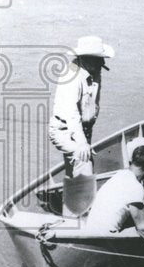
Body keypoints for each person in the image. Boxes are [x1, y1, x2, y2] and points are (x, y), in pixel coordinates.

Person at [49, 35, 114, 178]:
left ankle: (71, 194)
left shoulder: (94, 70)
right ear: (86, 58)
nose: (102, 63)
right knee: (83, 160)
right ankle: (85, 200)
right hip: (64, 129)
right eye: (98, 59)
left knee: (75, 168)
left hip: (84, 129)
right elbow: (72, 114)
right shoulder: (71, 77)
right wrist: (82, 143)